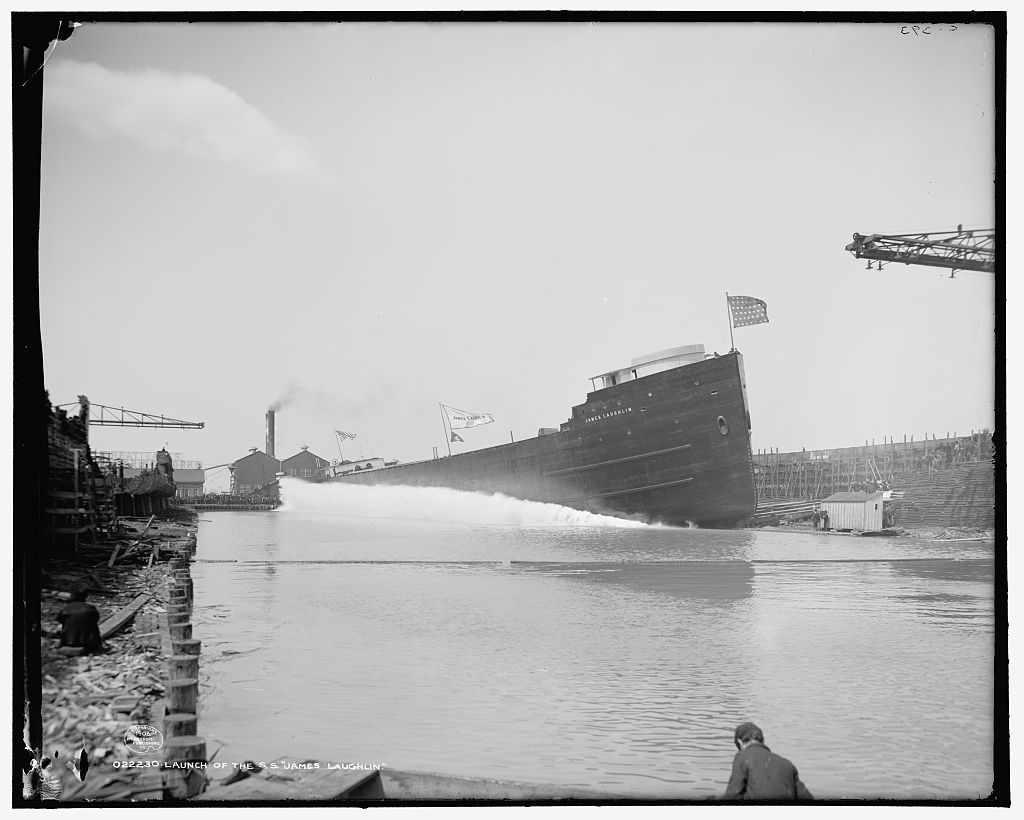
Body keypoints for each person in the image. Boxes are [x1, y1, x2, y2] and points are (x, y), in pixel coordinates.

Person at [724, 722, 813, 800]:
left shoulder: (743, 756)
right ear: (762, 741)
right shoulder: (787, 764)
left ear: (740, 743)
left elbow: (733, 794)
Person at [57, 588, 102, 653]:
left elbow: (59, 619)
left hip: (68, 641)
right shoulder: (90, 608)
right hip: (88, 641)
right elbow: (96, 619)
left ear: (72, 596)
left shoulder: (66, 608)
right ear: (86, 597)